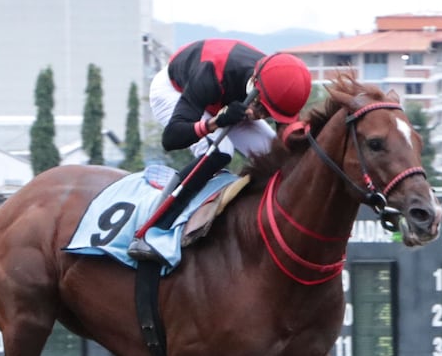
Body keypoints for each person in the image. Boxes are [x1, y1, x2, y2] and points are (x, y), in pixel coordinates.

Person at [127, 39, 313, 261]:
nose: (258, 116)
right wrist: (214, 123)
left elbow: (289, 142)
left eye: (268, 113)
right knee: (221, 151)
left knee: (278, 157)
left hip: (228, 100)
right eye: (260, 107)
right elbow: (171, 138)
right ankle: (153, 228)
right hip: (175, 91)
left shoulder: (277, 86)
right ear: (254, 82)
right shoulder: (208, 75)